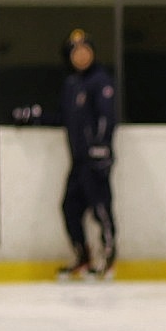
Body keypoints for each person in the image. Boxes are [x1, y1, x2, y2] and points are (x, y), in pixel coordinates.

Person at [58, 29, 117, 280]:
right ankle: (83, 256)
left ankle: (108, 258)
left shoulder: (100, 81)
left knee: (100, 208)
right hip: (78, 160)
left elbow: (107, 117)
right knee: (69, 207)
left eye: (85, 50)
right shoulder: (72, 84)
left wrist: (101, 146)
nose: (81, 56)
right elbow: (65, 118)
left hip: (96, 158)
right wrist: (34, 117)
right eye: (75, 52)